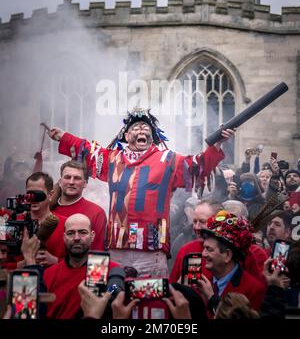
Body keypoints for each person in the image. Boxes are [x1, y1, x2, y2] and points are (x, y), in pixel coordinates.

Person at [47, 108, 234, 276]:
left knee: (151, 302)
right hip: (117, 249)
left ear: (153, 136)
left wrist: (217, 145)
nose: (142, 130)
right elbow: (88, 150)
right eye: (136, 128)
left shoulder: (168, 159)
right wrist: (63, 137)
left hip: (151, 251)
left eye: (146, 128)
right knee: (115, 298)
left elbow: (197, 165)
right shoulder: (113, 159)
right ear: (126, 136)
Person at [42, 213, 118, 319]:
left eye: (82, 232)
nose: (76, 238)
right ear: (64, 237)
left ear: (92, 236)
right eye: (70, 233)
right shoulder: (48, 274)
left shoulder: (113, 271)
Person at [197, 210, 266, 314]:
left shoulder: (253, 290)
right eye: (204, 248)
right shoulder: (202, 280)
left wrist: (212, 300)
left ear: (228, 256)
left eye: (209, 249)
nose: (203, 254)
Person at [51, 161, 107, 251]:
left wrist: (57, 262)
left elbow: (98, 257)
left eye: (77, 178)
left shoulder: (96, 213)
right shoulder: (47, 210)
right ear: (60, 182)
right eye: (67, 177)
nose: (71, 182)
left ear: (85, 184)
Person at [169, 201, 220, 283]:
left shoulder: (229, 251)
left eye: (202, 222)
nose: (196, 227)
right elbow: (190, 286)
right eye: (195, 221)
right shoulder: (189, 250)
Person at [23, 172, 66, 266]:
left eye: (38, 194)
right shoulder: (15, 222)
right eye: (30, 194)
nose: (33, 198)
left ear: (51, 194)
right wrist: (24, 262)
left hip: (53, 278)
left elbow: (77, 261)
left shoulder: (65, 224)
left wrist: (56, 261)